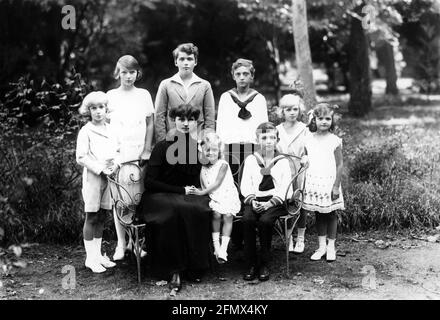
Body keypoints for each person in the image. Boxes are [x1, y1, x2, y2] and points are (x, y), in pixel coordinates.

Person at [136, 104, 212, 293]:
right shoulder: (162, 147)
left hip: (187, 195)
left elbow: (201, 176)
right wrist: (180, 190)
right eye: (181, 119)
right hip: (158, 196)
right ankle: (173, 270)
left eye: (191, 120)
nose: (186, 124)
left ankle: (195, 266)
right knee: (173, 211)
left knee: (199, 209)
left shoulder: (197, 147)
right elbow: (150, 182)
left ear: (196, 122)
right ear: (174, 121)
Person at [216, 58, 268, 249]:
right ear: (233, 76)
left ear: (252, 76)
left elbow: (264, 128)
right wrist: (221, 152)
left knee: (251, 189)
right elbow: (220, 126)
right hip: (230, 150)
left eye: (246, 74)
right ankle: (235, 238)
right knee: (233, 190)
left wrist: (262, 153)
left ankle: (252, 235)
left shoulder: (259, 99)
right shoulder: (225, 98)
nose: (242, 78)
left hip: (252, 150)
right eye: (238, 74)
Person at [107, 55, 154, 261]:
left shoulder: (143, 94)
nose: (128, 76)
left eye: (132, 72)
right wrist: (111, 155)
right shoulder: (110, 96)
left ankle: (136, 242)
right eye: (124, 72)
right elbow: (106, 127)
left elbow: (150, 124)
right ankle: (121, 243)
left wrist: (146, 149)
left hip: (138, 154)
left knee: (136, 199)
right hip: (118, 154)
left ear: (137, 73)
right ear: (118, 73)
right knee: (119, 200)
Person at [240, 122, 292, 281]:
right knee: (247, 219)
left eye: (272, 137)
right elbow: (245, 184)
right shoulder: (251, 160)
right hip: (256, 199)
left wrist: (270, 203)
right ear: (257, 140)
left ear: (277, 140)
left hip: (276, 202)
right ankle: (250, 263)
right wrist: (252, 200)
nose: (268, 141)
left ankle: (264, 263)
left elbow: (285, 187)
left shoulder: (282, 161)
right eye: (264, 137)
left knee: (265, 221)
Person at [76, 91, 119, 273]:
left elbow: (118, 151)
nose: (98, 111)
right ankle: (90, 258)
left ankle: (99, 255)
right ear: (89, 111)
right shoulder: (86, 130)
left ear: (106, 109)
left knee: (103, 215)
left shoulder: (111, 129)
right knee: (92, 216)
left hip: (109, 177)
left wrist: (115, 165)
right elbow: (81, 157)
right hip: (94, 177)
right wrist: (100, 168)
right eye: (94, 108)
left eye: (101, 107)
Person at [188, 131, 241, 263]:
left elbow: (217, 183)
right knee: (216, 214)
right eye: (207, 150)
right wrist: (198, 190)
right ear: (202, 151)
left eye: (214, 150)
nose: (210, 153)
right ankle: (216, 246)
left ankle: (224, 249)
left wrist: (202, 192)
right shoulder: (202, 167)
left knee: (228, 215)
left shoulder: (223, 164)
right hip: (213, 196)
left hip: (227, 194)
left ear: (219, 151)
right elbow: (203, 184)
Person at [302, 103, 345, 262]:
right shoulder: (308, 140)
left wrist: (336, 186)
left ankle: (331, 246)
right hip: (314, 181)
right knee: (319, 213)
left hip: (329, 182)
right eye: (320, 118)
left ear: (332, 121)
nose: (324, 122)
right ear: (314, 120)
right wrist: (303, 159)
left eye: (328, 118)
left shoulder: (334, 140)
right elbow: (306, 157)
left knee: (331, 214)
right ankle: (321, 247)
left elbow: (339, 164)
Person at [154, 43, 215, 142]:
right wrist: (162, 142)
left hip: (197, 140)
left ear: (195, 61)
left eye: (189, 59)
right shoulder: (166, 84)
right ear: (175, 62)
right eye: (182, 59)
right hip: (173, 140)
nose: (186, 62)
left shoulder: (204, 85)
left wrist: (206, 141)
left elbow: (210, 118)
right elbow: (159, 116)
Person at [275, 93, 309, 254]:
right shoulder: (277, 130)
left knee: (300, 202)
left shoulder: (304, 129)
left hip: (300, 169)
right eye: (288, 109)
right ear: (282, 112)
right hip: (283, 170)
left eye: (295, 109)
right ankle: (289, 237)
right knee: (285, 202)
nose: (292, 112)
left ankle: (301, 237)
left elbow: (310, 149)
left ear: (299, 110)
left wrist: (306, 157)